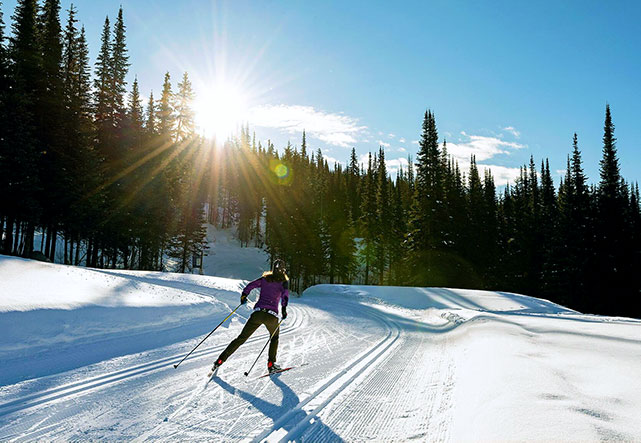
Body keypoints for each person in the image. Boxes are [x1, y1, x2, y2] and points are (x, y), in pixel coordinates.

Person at [211, 259, 290, 374]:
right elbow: (285, 297)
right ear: (283, 269)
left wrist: (244, 296)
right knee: (274, 338)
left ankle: (220, 360)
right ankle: (271, 364)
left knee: (241, 338)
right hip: (271, 316)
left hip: (257, 314)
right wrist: (283, 310)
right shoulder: (283, 282)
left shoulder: (265, 279)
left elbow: (250, 285)